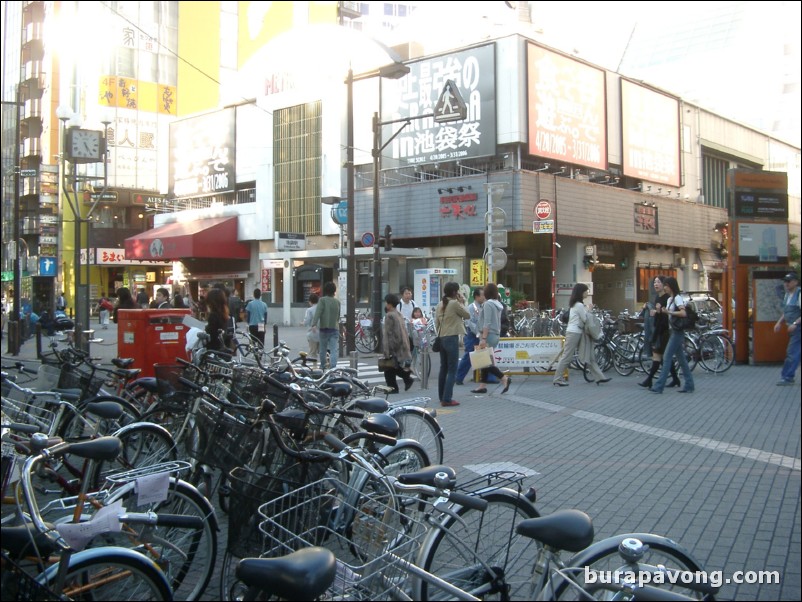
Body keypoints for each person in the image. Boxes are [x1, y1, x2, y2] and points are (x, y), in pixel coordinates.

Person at [552, 283, 610, 386]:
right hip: (574, 333)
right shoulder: (578, 305)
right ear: (581, 292)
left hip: (578, 332)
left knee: (588, 355)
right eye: (586, 291)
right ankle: (557, 378)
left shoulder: (577, 304)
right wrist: (589, 310)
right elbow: (585, 319)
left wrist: (587, 310)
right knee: (567, 356)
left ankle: (599, 377)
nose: (587, 293)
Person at [649, 276, 694, 394]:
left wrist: (669, 312)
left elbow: (683, 313)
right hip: (672, 331)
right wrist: (661, 311)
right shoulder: (670, 300)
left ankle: (659, 385)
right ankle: (689, 384)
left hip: (677, 332)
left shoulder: (677, 298)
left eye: (666, 285)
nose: (664, 288)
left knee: (667, 357)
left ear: (670, 286)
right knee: (682, 359)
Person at [638, 276, 680, 389]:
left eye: (659, 282)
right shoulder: (657, 298)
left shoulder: (668, 298)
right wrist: (655, 312)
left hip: (665, 331)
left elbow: (667, 314)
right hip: (659, 330)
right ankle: (675, 379)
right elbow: (659, 315)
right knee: (663, 358)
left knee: (658, 356)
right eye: (655, 282)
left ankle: (651, 380)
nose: (656, 284)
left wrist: (659, 312)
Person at [471, 283, 511, 394]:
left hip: (488, 335)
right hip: (495, 334)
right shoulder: (497, 304)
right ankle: (482, 385)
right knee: (485, 360)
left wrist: (483, 338)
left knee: (485, 362)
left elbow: (487, 322)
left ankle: (504, 378)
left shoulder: (488, 304)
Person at [434, 281, 470, 407]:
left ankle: (441, 396)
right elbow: (467, 315)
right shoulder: (454, 303)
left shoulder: (440, 304)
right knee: (452, 369)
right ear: (455, 292)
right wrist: (462, 302)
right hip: (451, 338)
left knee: (443, 368)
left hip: (442, 338)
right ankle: (447, 398)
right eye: (458, 291)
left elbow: (436, 323)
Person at [382, 293, 415, 393]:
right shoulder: (399, 314)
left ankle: (395, 387)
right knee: (392, 368)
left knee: (388, 369)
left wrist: (386, 351)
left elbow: (387, 334)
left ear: (390, 304)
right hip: (402, 344)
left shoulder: (389, 316)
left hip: (393, 345)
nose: (386, 305)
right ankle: (406, 379)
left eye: (387, 303)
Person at [774, 272, 800, 386]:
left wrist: (795, 323)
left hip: (798, 329)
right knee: (795, 352)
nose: (786, 283)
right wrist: (779, 322)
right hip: (793, 329)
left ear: (796, 282)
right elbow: (786, 312)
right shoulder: (787, 295)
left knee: (792, 352)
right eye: (785, 281)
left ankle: (787, 377)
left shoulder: (799, 294)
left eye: (788, 281)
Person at [456, 287, 485, 386]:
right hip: (472, 334)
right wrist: (478, 332)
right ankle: (458, 377)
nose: (484, 297)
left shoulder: (482, 306)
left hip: (479, 334)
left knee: (479, 356)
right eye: (482, 295)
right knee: (469, 356)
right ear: (477, 296)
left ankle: (478, 376)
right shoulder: (471, 307)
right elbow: (469, 322)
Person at [312, 281, 341, 370]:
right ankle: (333, 367)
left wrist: (314, 324)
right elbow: (338, 316)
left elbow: (318, 312)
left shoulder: (322, 300)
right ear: (334, 291)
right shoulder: (337, 302)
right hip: (334, 328)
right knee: (334, 350)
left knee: (322, 350)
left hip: (324, 328)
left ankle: (323, 366)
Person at [205, 287, 234, 353]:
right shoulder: (224, 314)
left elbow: (211, 336)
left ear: (211, 303)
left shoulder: (213, 316)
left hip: (214, 352)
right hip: (223, 351)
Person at [303, 293, 320, 358]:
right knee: (322, 352)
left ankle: (314, 366)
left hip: (313, 333)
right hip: (322, 333)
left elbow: (307, 321)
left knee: (313, 353)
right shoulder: (321, 309)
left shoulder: (309, 310)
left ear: (310, 301)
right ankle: (324, 366)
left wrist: (302, 323)